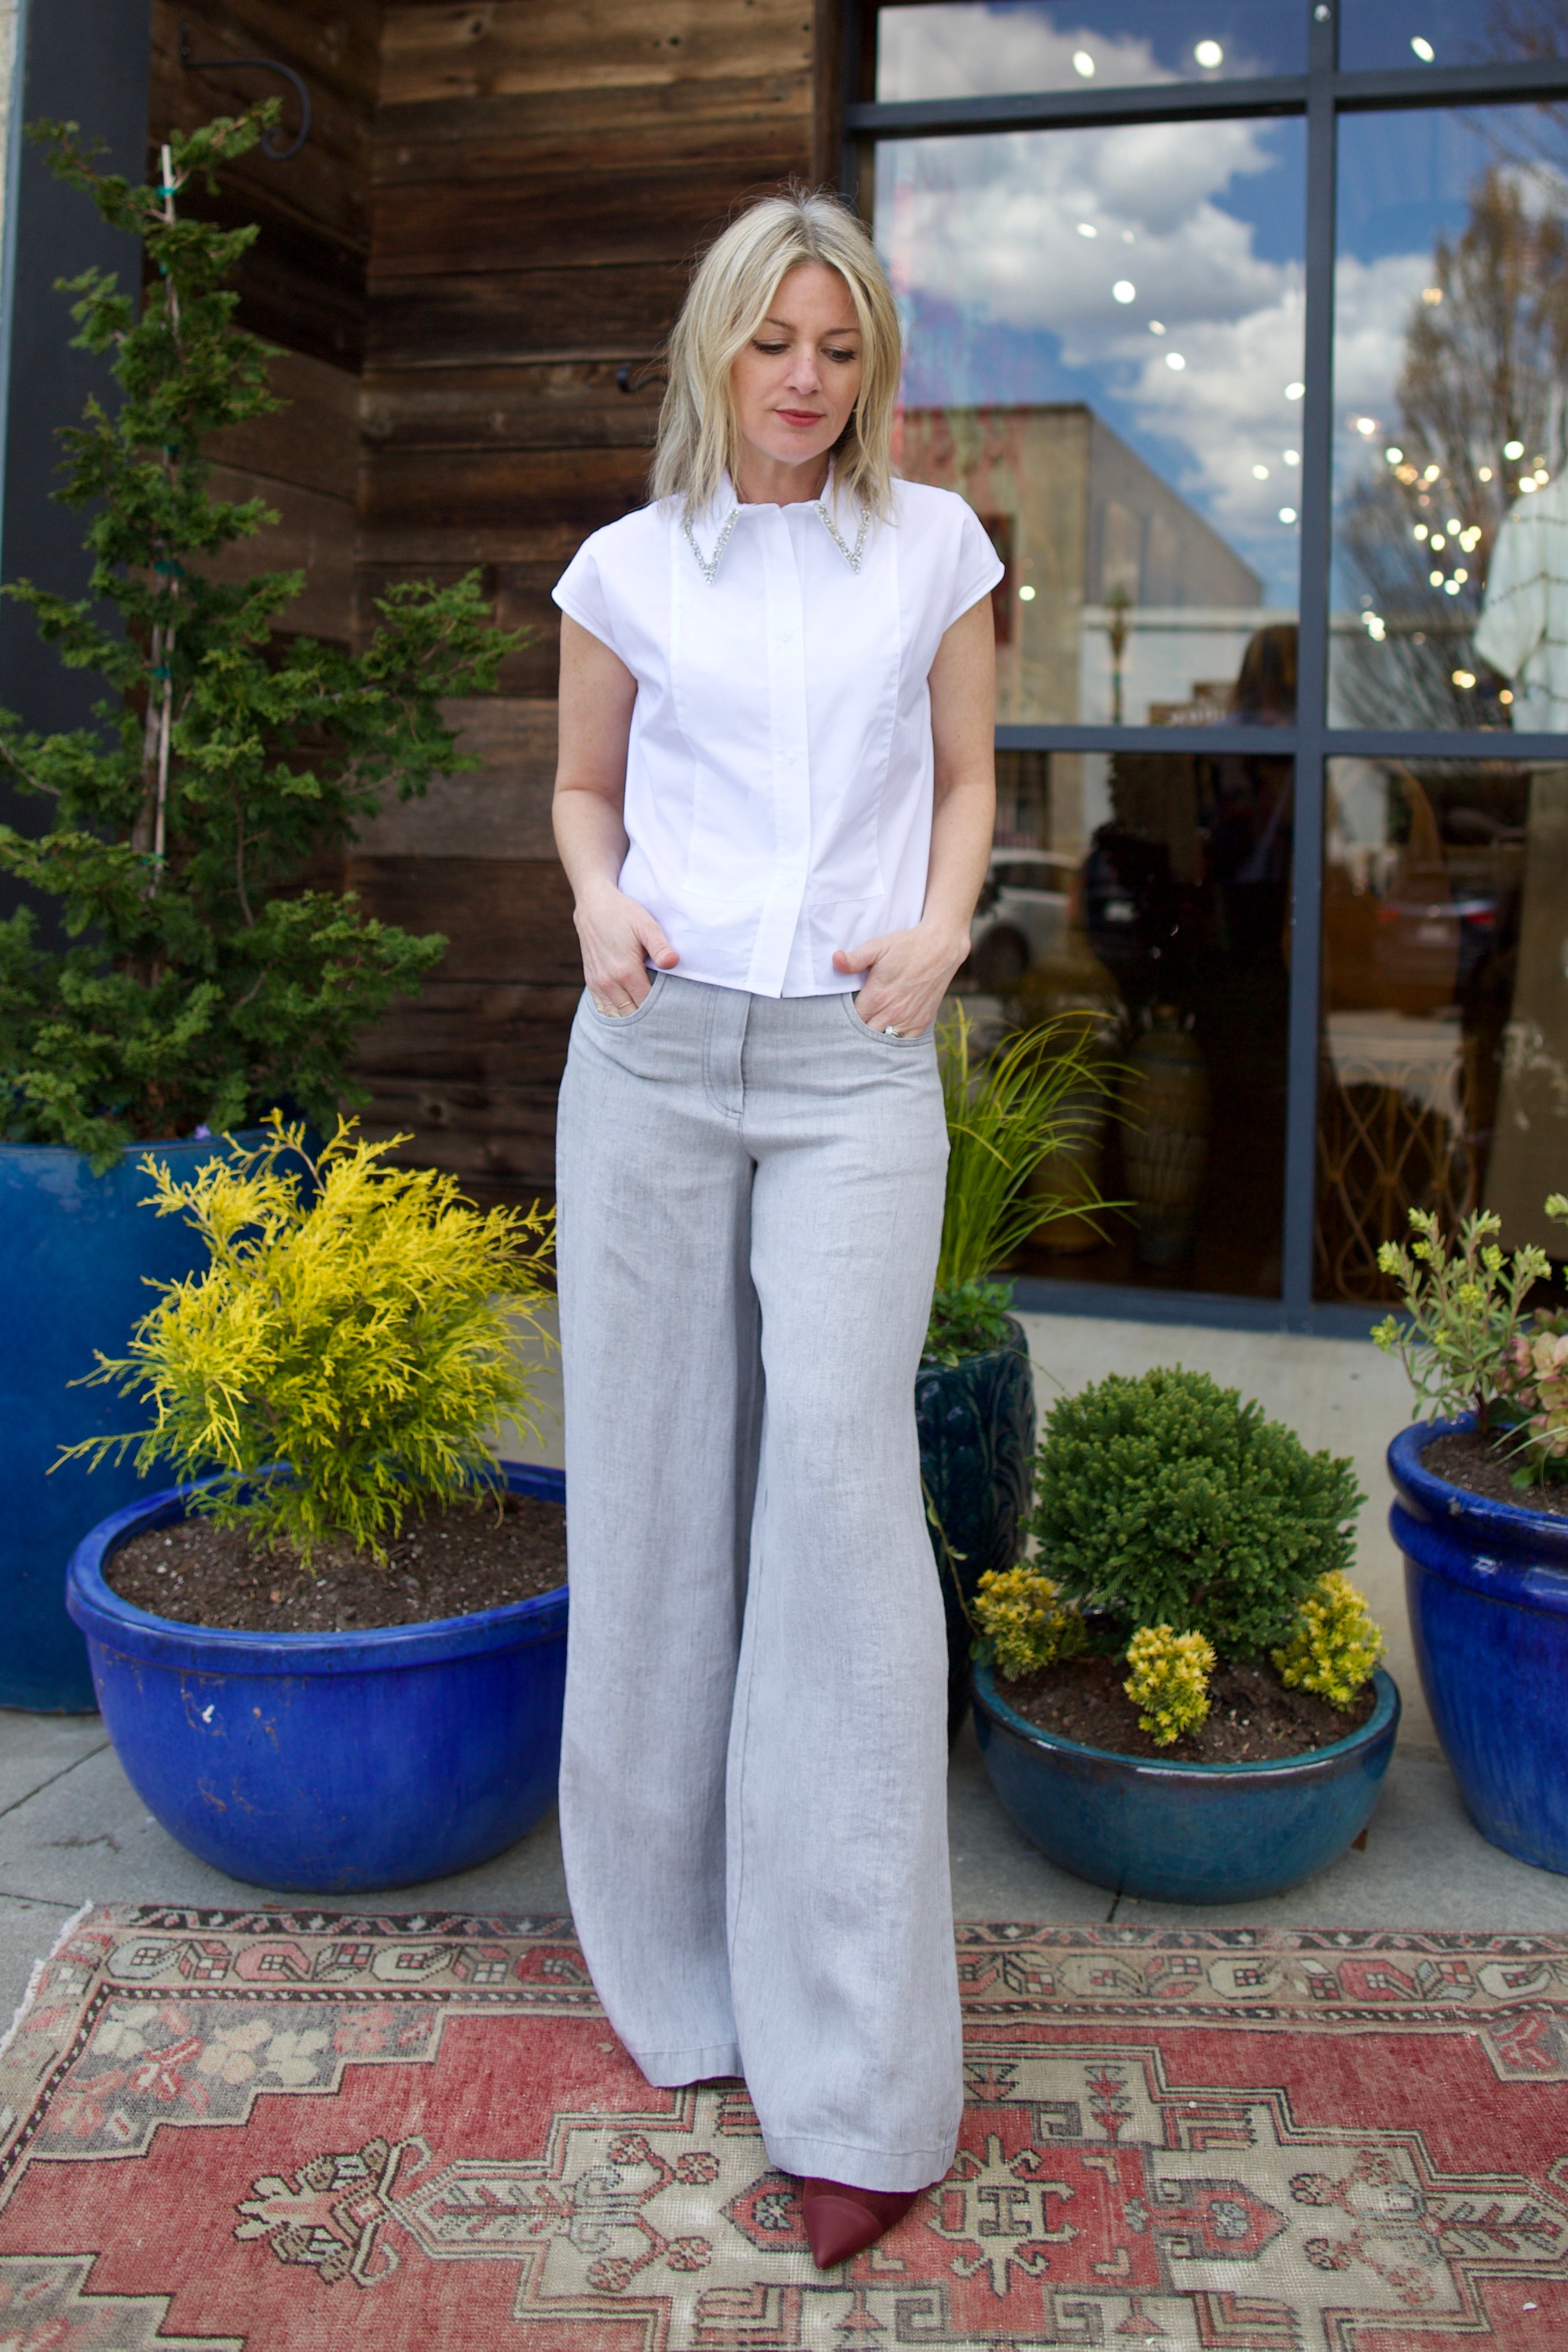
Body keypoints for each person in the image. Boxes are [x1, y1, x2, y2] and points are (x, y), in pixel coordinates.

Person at [549, 186, 1001, 2270]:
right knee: (651, 1507)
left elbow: (971, 780)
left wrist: (940, 933)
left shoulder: (935, 547)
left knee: (833, 1498)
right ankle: (683, 1979)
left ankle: (857, 2074)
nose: (807, 379)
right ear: (713, 349)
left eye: (838, 345)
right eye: (773, 343)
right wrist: (595, 897)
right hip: (648, 1057)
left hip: (847, 1073)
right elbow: (581, 791)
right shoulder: (626, 567)